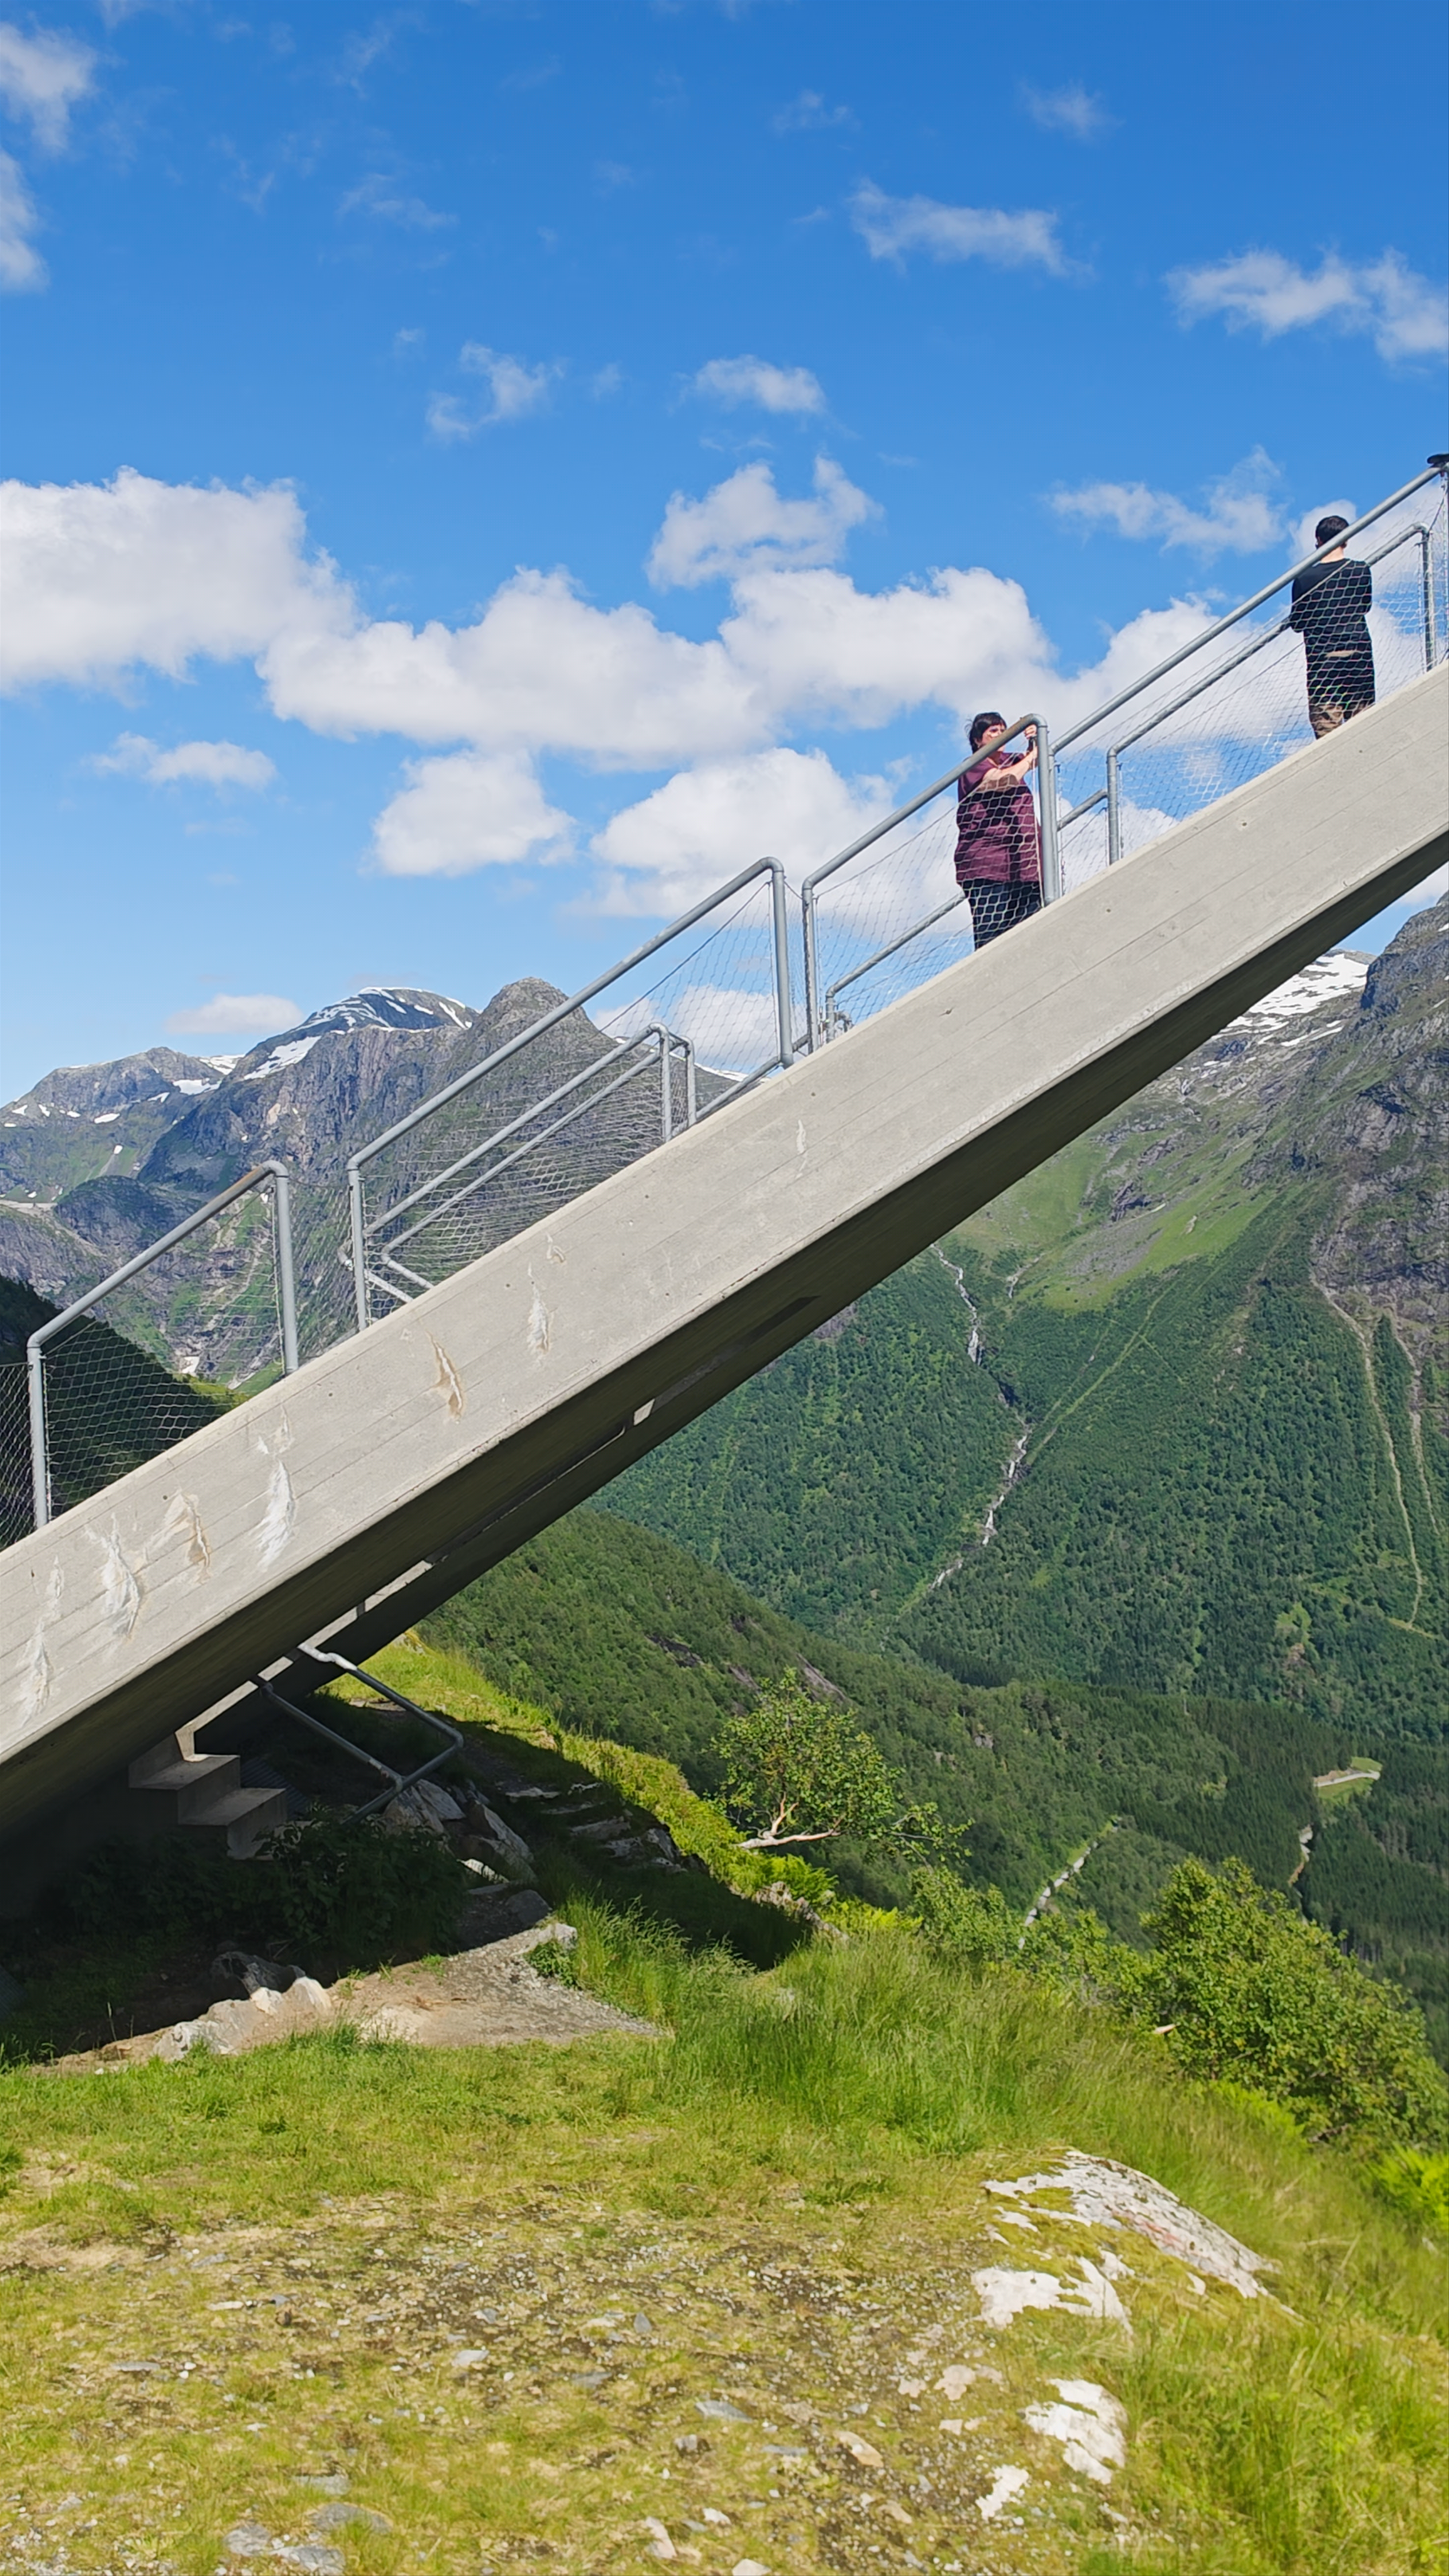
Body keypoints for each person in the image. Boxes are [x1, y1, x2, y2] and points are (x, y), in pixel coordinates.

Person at [954, 712, 1042, 947]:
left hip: (1026, 866)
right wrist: (1030, 758)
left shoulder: (1011, 760)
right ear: (978, 741)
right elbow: (1003, 781)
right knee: (991, 941)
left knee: (1029, 938)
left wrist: (1036, 739)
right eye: (993, 731)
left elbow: (1037, 759)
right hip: (988, 867)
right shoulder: (974, 766)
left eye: (1004, 730)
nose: (1001, 735)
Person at [1289, 515, 1375, 738]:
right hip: (1358, 657)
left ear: (1318, 540)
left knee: (1327, 733)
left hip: (1323, 663)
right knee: (1364, 726)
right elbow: (1365, 606)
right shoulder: (1361, 571)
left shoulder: (1304, 578)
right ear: (1346, 540)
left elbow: (1297, 623)